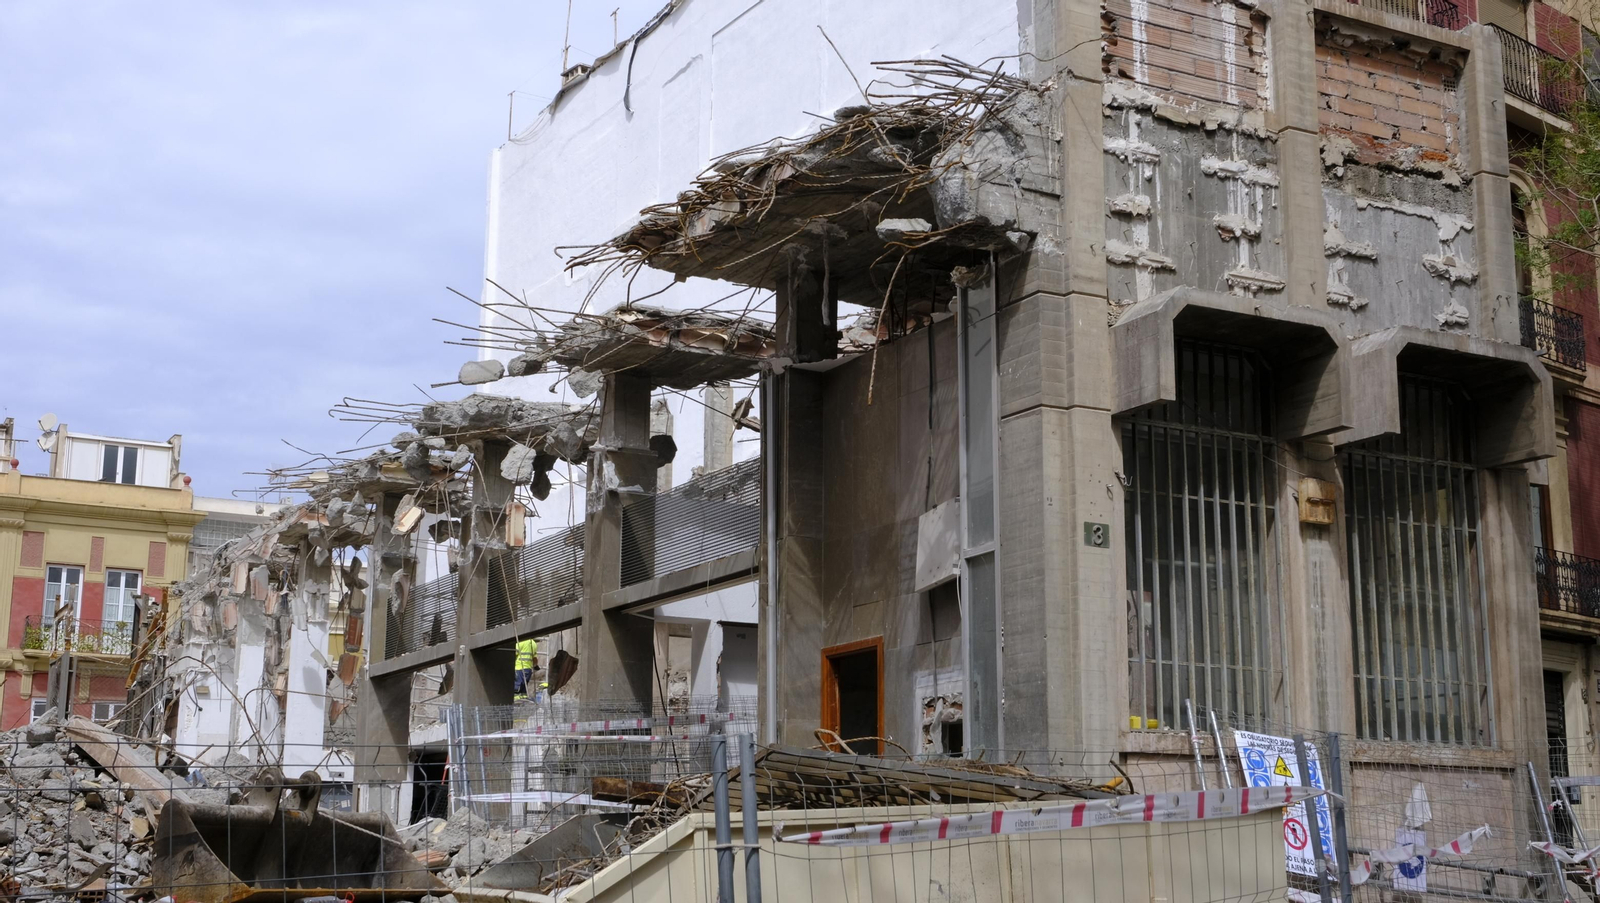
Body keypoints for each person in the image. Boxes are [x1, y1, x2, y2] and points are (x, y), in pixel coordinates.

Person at [513, 636, 538, 702]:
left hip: (519, 668)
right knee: (524, 688)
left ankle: (515, 701)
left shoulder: (520, 642)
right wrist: (535, 666)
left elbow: (513, 654)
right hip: (528, 669)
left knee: (517, 688)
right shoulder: (533, 643)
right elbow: (534, 659)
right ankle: (522, 699)